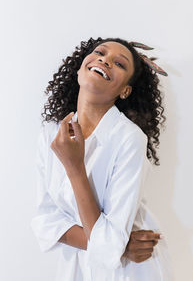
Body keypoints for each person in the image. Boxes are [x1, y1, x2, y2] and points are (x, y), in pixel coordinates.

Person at [31, 37, 174, 280]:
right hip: (79, 265)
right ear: (79, 67)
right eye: (100, 52)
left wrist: (74, 167)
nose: (104, 60)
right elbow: (45, 221)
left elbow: (107, 247)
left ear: (125, 90)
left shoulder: (129, 139)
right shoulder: (51, 133)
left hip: (129, 270)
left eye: (119, 63)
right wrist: (117, 245)